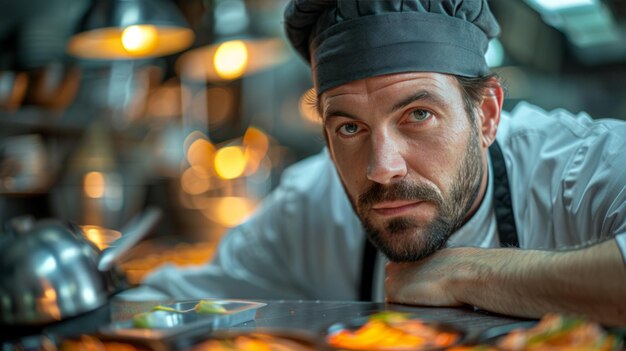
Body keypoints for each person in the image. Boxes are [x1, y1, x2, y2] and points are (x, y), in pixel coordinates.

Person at [129, 0, 626, 326]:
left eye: (417, 115)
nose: (381, 168)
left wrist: (468, 274)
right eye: (349, 128)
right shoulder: (309, 207)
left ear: (488, 114)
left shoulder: (583, 169)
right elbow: (167, 307)